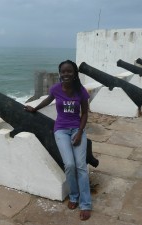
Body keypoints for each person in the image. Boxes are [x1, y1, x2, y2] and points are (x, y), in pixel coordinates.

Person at [24, 60, 92, 221]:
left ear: (75, 73)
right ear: (60, 73)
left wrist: (80, 132)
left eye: (69, 71)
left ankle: (86, 204)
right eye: (63, 72)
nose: (66, 74)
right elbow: (48, 99)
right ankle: (74, 196)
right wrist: (34, 108)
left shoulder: (81, 91)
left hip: (77, 129)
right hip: (61, 129)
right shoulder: (56, 89)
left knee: (81, 166)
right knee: (69, 164)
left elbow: (85, 113)